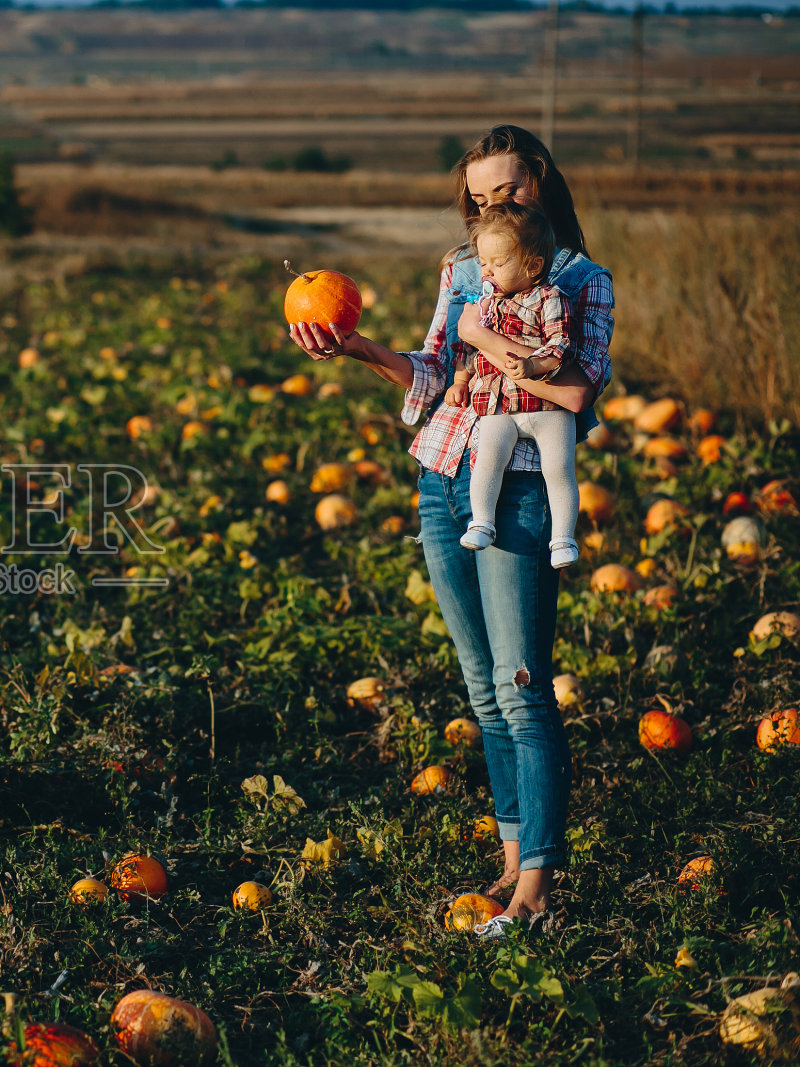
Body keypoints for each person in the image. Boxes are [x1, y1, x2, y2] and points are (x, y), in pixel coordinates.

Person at [288, 124, 615, 938]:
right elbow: (433, 370)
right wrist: (361, 347)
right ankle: (511, 860)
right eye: (478, 198)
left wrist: (483, 337)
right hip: (445, 474)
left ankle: (536, 892)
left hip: (525, 490)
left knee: (522, 684)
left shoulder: (581, 280)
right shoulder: (462, 270)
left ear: (541, 182)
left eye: (507, 191)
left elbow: (578, 393)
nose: (491, 208)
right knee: (481, 685)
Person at [444, 202, 582, 571]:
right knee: (487, 457)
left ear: (532, 266)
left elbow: (561, 346)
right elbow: (471, 351)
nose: (485, 271)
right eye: (483, 263)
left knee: (558, 468)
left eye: (496, 263)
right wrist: (461, 380)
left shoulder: (550, 298)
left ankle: (563, 538)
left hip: (546, 407)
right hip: (498, 405)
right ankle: (482, 522)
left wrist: (533, 363)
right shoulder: (487, 304)